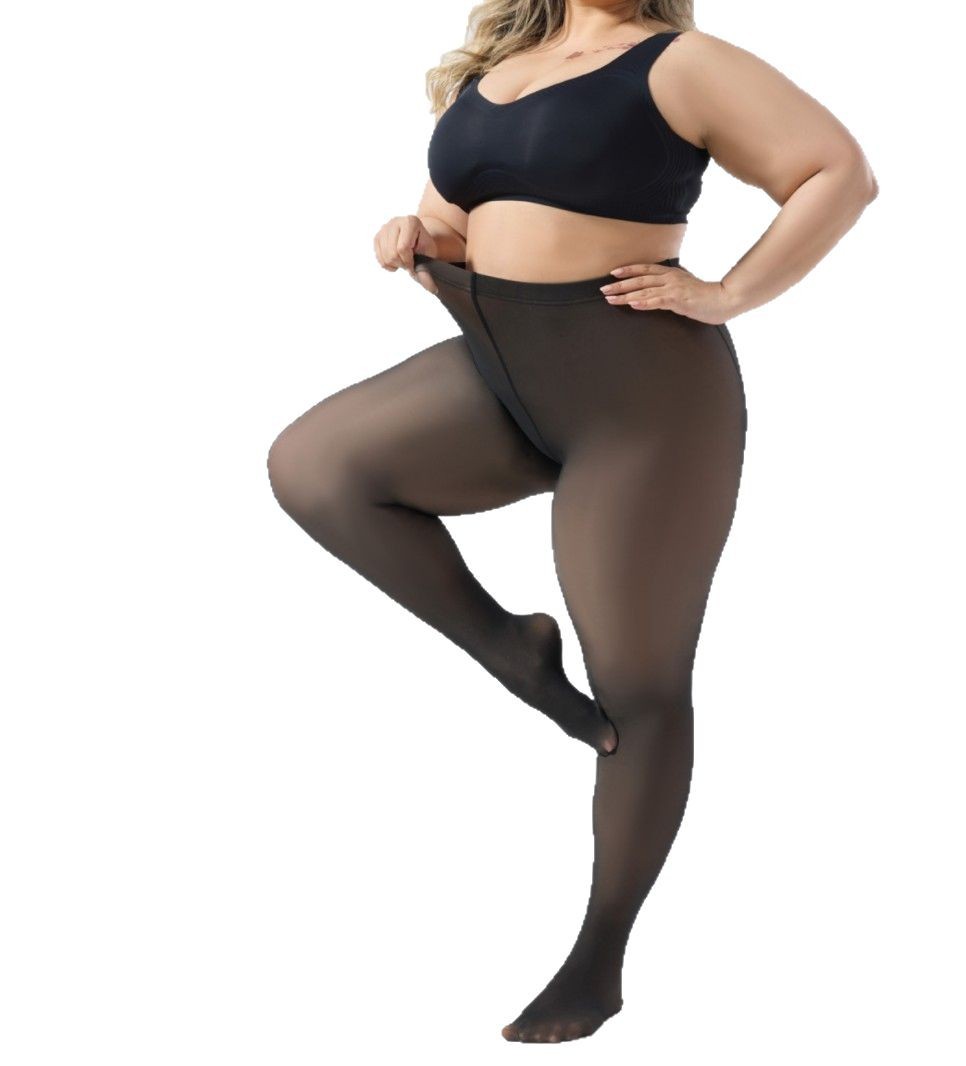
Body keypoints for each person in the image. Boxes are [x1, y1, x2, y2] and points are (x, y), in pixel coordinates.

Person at [267, 0, 877, 1044]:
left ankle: (598, 959)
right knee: (316, 466)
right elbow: (457, 226)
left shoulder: (681, 64)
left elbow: (838, 172)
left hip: (644, 402)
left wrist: (729, 293)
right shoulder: (492, 73)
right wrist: (412, 237)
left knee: (638, 684)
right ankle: (511, 648)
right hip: (506, 375)